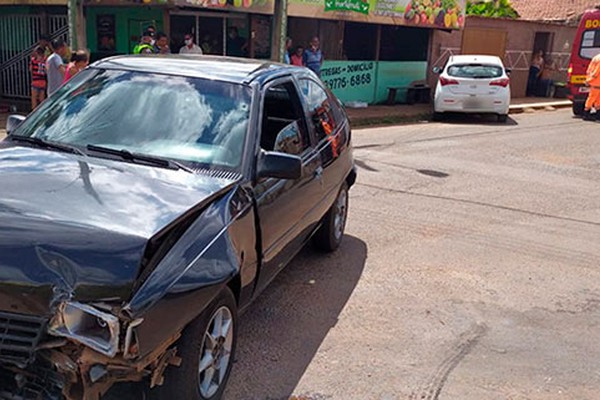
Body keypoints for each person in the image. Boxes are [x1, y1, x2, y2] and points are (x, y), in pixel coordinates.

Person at [583, 52, 600, 121]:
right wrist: (589, 80)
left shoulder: (596, 57)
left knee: (596, 98)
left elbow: (589, 69)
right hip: (597, 82)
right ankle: (587, 113)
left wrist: (588, 79)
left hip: (595, 82)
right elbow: (596, 72)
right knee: (592, 98)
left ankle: (597, 113)